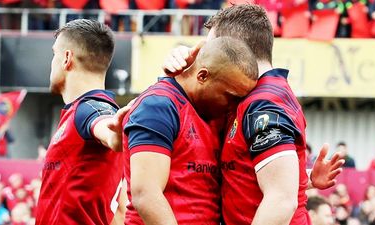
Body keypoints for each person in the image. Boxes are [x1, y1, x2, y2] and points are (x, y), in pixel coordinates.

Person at [163, 4, 344, 225]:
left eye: (212, 48)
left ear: (234, 49)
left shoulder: (263, 106)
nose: (205, 56)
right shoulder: (252, 97)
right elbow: (259, 177)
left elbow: (281, 200)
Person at [123, 37, 258, 225]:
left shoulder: (214, 115)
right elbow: (146, 195)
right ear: (202, 76)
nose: (234, 107)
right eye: (230, 96)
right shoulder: (158, 105)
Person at [35, 19, 129, 225]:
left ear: (66, 58)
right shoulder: (78, 113)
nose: (51, 62)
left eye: (54, 54)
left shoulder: (90, 109)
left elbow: (106, 127)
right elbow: (120, 210)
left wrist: (114, 136)